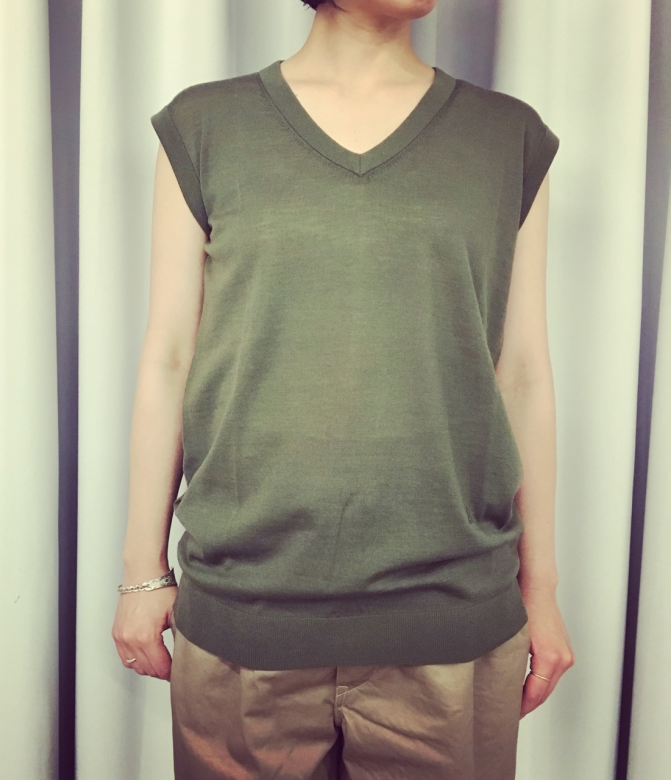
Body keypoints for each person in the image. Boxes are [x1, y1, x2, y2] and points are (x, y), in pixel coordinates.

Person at [113, 0, 575, 777]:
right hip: (244, 615)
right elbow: (168, 355)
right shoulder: (204, 127)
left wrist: (545, 588)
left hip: (452, 621)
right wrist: (142, 572)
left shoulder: (507, 138)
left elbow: (522, 371)